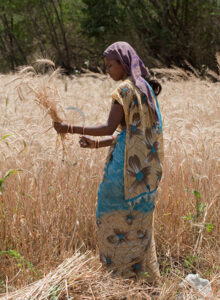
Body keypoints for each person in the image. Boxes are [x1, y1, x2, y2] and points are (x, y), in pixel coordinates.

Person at [54, 41, 164, 282]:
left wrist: (68, 127)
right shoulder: (144, 88)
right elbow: (132, 133)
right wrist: (98, 144)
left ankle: (118, 276)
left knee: (110, 216)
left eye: (109, 65)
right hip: (144, 173)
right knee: (139, 223)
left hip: (122, 173)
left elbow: (109, 127)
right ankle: (140, 278)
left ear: (123, 64)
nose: (107, 70)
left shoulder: (124, 90)